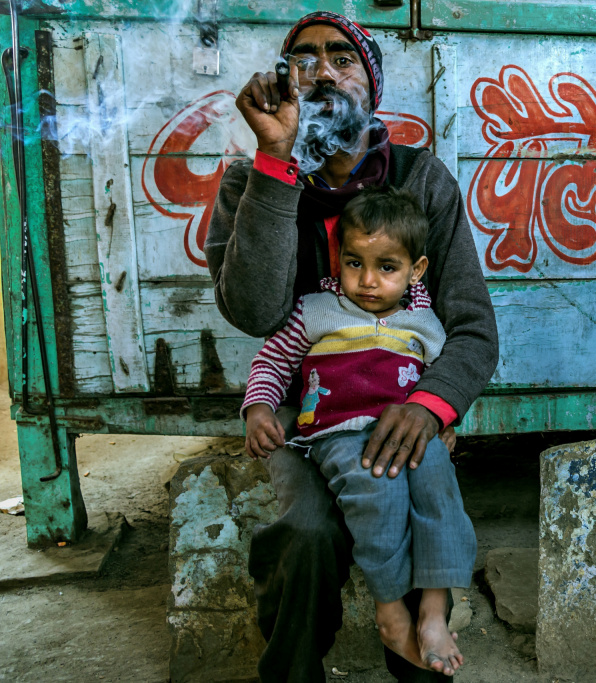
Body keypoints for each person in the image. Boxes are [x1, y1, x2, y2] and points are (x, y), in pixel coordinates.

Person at [205, 11, 499, 683]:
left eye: (343, 57)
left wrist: (430, 406)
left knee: (422, 496)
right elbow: (255, 314)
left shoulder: (420, 181)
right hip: (304, 417)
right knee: (305, 536)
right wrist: (276, 163)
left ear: (371, 81)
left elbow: (475, 329)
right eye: (304, 61)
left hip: (399, 401)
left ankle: (422, 649)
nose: (324, 71)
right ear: (286, 85)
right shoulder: (249, 180)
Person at [242, 186, 476, 676]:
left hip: (411, 434)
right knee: (380, 492)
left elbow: (448, 375)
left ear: (416, 270)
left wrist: (446, 419)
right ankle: (391, 610)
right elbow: (272, 361)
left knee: (439, 484)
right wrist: (259, 408)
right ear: (338, 259)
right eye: (354, 264)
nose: (367, 281)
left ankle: (433, 609)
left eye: (386, 268)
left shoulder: (426, 322)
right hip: (340, 433)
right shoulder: (315, 311)